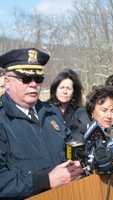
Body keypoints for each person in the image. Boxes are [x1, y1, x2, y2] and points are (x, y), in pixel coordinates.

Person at [0, 48, 83, 199]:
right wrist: (46, 180)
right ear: (7, 82)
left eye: (38, 79)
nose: (33, 84)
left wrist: (76, 163)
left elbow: (67, 147)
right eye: (25, 78)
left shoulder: (51, 112)